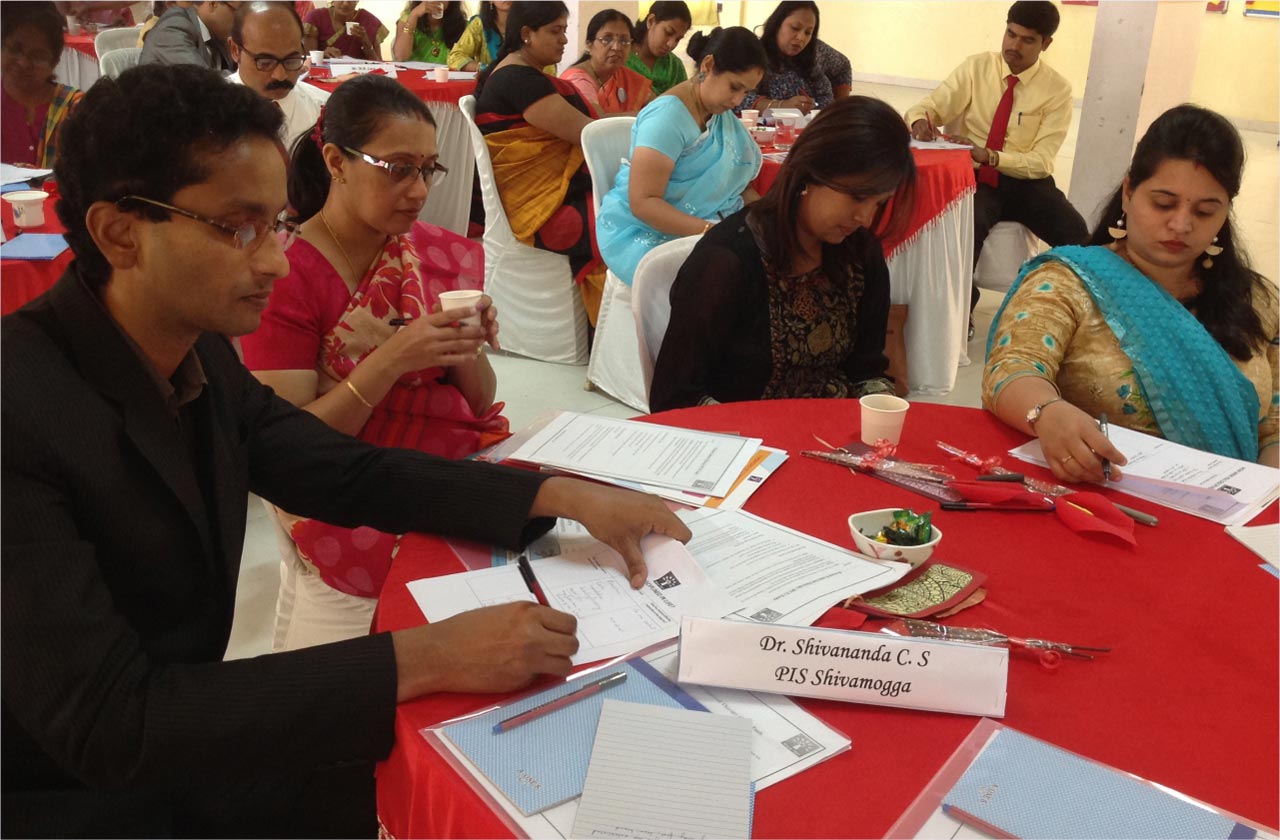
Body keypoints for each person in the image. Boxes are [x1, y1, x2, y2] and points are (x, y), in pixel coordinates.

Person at [0, 63, 691, 837]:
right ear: (119, 232)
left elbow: (332, 465)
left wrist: (553, 495)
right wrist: (422, 656)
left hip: (173, 741)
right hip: (67, 794)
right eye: (238, 228)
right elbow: (110, 724)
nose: (272, 259)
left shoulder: (196, 356)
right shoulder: (19, 411)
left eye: (273, 224)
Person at [239, 74, 504, 650]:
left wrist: (463, 345)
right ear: (335, 160)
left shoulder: (433, 254)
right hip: (341, 490)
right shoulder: (287, 275)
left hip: (442, 469)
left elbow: (480, 404)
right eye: (398, 169)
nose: (418, 190)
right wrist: (391, 359)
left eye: (429, 170)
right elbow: (291, 453)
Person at [983, 104, 1279, 480]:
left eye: (1205, 211)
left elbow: (1274, 426)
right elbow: (1012, 367)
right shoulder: (1069, 281)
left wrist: (1267, 502)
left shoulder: (1258, 299)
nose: (1181, 224)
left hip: (1229, 515)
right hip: (1099, 503)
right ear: (1128, 192)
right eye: (1163, 203)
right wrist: (1047, 412)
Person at [649, 97, 915, 411]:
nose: (865, 218)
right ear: (811, 172)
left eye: (878, 203)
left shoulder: (859, 252)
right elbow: (674, 397)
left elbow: (867, 368)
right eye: (857, 197)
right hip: (747, 445)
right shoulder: (727, 262)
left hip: (835, 435)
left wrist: (878, 413)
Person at [905, 0, 1087, 336]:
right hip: (978, 179)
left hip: (1027, 182)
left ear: (1046, 44)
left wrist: (989, 155)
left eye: (1027, 40)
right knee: (969, 222)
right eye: (1010, 34)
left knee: (1079, 238)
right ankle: (962, 312)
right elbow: (929, 106)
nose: (1013, 46)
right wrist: (920, 122)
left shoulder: (1056, 90)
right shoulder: (976, 68)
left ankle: (1079, 317)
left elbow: (1041, 160)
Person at [597, 26, 765, 287]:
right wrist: (712, 233)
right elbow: (644, 203)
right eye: (735, 87)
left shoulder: (718, 116)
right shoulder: (667, 118)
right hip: (642, 232)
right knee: (730, 280)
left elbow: (740, 188)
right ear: (708, 66)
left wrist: (768, 216)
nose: (737, 100)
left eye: (747, 93)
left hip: (703, 224)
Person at [474, 1, 604, 320]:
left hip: (549, 190)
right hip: (538, 205)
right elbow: (587, 134)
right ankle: (613, 328)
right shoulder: (519, 80)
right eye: (555, 31)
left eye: (564, 30)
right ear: (527, 34)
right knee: (622, 226)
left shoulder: (519, 72)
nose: (563, 39)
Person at [228, 1, 328, 150]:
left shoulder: (324, 110)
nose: (280, 76)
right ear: (235, 51)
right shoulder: (206, 117)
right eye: (265, 62)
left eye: (291, 61)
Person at [0, 3, 84, 167]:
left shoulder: (75, 109)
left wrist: (44, 181)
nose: (23, 63)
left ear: (55, 62)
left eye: (37, 56)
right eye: (15, 50)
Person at [740, 1, 851, 115]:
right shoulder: (755, 56)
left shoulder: (816, 52)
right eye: (795, 28)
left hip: (815, 128)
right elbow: (738, 100)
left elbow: (843, 65)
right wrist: (781, 106)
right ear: (777, 24)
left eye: (808, 32)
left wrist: (839, 108)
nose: (801, 37)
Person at [561, 9, 652, 116]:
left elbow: (657, 106)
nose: (617, 47)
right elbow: (597, 121)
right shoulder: (577, 80)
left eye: (624, 41)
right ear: (589, 44)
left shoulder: (626, 77)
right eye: (607, 39)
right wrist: (645, 116)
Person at [139, 0, 238, 72]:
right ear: (213, 3)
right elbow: (202, 80)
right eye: (238, 11)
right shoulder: (173, 27)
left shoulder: (217, 33)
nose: (241, 19)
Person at [626, 1, 692, 96]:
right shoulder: (622, 58)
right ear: (651, 21)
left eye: (678, 39)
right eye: (668, 33)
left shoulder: (675, 66)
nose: (671, 44)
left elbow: (685, 103)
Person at [304, 0, 386, 60]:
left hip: (359, 78)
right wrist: (323, 54)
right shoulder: (316, 18)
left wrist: (367, 44)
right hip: (323, 75)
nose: (346, 3)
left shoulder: (369, 21)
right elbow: (307, 59)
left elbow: (379, 65)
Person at [392, 1, 466, 63]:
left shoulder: (461, 24)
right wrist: (413, 16)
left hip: (446, 77)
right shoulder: (408, 19)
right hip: (414, 75)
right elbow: (400, 57)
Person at [448, 0, 506, 71]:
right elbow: (455, 57)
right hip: (490, 79)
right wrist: (484, 68)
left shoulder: (522, 24)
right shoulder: (479, 24)